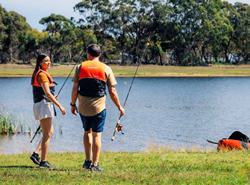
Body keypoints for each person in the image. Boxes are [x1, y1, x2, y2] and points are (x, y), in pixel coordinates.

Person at [71, 44, 125, 171]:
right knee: (97, 135)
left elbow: (75, 89)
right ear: (99, 55)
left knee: (87, 132)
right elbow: (112, 91)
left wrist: (73, 104)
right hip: (99, 108)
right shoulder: (106, 68)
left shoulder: (80, 67)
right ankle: (95, 165)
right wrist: (119, 107)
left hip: (83, 107)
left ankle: (87, 161)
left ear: (88, 54)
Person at [30, 53, 66, 168]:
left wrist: (52, 98)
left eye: (49, 61)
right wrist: (60, 106)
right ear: (40, 62)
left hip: (42, 104)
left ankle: (36, 154)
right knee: (47, 134)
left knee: (50, 132)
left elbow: (46, 93)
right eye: (46, 61)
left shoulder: (41, 74)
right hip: (43, 105)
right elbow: (47, 93)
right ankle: (43, 162)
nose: (48, 63)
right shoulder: (42, 75)